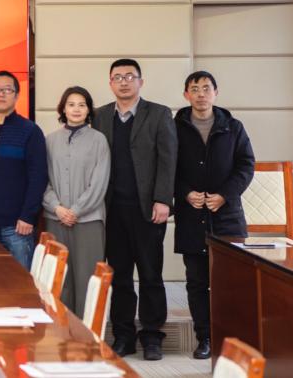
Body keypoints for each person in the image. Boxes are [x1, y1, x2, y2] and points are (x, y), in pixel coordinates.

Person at [92, 58, 177, 361]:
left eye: (130, 76)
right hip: (112, 210)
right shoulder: (99, 116)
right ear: (110, 83)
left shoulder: (159, 113)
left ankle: (152, 336)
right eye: (118, 77)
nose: (124, 82)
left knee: (151, 274)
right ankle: (124, 336)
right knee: (120, 278)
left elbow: (169, 159)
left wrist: (163, 199)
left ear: (141, 81)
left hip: (148, 210)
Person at [173, 71, 254, 360]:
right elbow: (167, 167)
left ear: (216, 93)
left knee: (230, 282)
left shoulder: (233, 127)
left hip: (227, 216)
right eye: (194, 89)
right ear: (186, 95)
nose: (201, 94)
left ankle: (230, 339)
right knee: (197, 282)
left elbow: (246, 165)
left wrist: (225, 195)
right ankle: (205, 338)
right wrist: (184, 193)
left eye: (206, 88)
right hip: (191, 215)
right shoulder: (175, 127)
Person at [42, 86, 110, 316]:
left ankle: (87, 333)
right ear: (63, 109)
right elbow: (43, 180)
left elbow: (99, 182)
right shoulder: (50, 140)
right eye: (71, 104)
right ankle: (60, 331)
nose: (76, 109)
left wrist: (76, 210)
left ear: (89, 109)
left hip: (88, 221)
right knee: (58, 280)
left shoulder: (99, 140)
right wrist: (57, 208)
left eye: (82, 105)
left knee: (88, 280)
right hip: (55, 219)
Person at [0, 71, 47, 269]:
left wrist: (28, 216)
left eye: (7, 90)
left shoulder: (30, 131)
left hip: (18, 227)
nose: (1, 94)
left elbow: (38, 177)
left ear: (17, 95)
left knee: (21, 282)